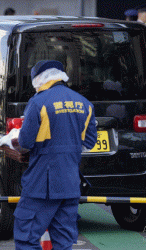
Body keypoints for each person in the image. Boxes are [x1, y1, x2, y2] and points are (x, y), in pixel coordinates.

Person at [12, 60, 97, 249]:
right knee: (63, 241)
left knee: (26, 238)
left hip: (42, 184)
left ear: (40, 79)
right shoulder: (84, 104)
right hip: (70, 183)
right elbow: (90, 142)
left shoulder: (38, 102)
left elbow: (25, 142)